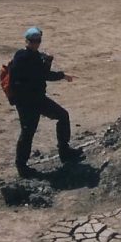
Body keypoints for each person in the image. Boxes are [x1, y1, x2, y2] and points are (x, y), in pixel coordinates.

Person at [10, 26, 84, 176]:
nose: (35, 43)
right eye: (33, 41)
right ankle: (21, 166)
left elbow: (41, 73)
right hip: (27, 102)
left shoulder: (26, 55)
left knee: (62, 116)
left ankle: (64, 151)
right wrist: (59, 72)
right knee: (28, 132)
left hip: (36, 99)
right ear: (27, 41)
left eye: (37, 41)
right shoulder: (25, 57)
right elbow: (43, 75)